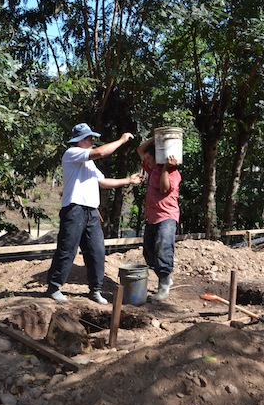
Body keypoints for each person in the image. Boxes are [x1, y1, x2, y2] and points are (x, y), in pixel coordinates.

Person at [45, 123, 143, 304]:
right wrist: (121, 140)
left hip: (91, 211)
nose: (92, 141)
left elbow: (103, 182)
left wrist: (128, 180)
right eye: (90, 138)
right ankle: (54, 287)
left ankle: (95, 290)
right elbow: (101, 152)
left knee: (96, 251)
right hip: (74, 209)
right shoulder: (72, 153)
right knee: (67, 249)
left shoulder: (88, 164)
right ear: (81, 140)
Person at [137, 137, 181, 301]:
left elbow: (164, 189)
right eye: (146, 160)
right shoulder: (152, 170)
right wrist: (156, 138)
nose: (146, 162)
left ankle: (163, 286)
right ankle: (166, 279)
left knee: (163, 248)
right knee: (148, 252)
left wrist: (165, 168)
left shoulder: (172, 173)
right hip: (152, 217)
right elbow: (140, 151)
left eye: (149, 159)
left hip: (166, 216)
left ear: (158, 158)